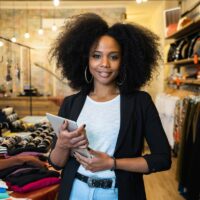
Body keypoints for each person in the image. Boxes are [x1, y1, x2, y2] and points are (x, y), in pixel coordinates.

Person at [48, 13, 171, 200]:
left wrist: (113, 163)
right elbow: (56, 163)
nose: (104, 64)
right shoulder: (71, 103)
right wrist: (63, 146)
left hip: (118, 193)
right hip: (75, 192)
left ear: (124, 61)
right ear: (85, 60)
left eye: (113, 57)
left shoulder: (140, 102)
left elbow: (162, 159)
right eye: (96, 56)